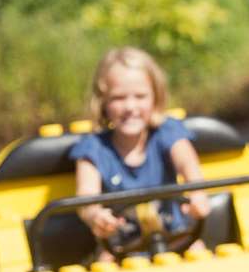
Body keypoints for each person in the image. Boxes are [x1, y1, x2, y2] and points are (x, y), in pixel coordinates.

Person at [71, 47, 209, 260]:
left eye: (140, 96)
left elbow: (188, 165)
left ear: (155, 97)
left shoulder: (168, 132)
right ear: (103, 102)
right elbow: (86, 197)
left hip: (177, 239)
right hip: (121, 249)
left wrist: (198, 196)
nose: (130, 106)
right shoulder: (92, 148)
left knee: (200, 254)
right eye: (118, 98)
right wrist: (95, 217)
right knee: (104, 263)